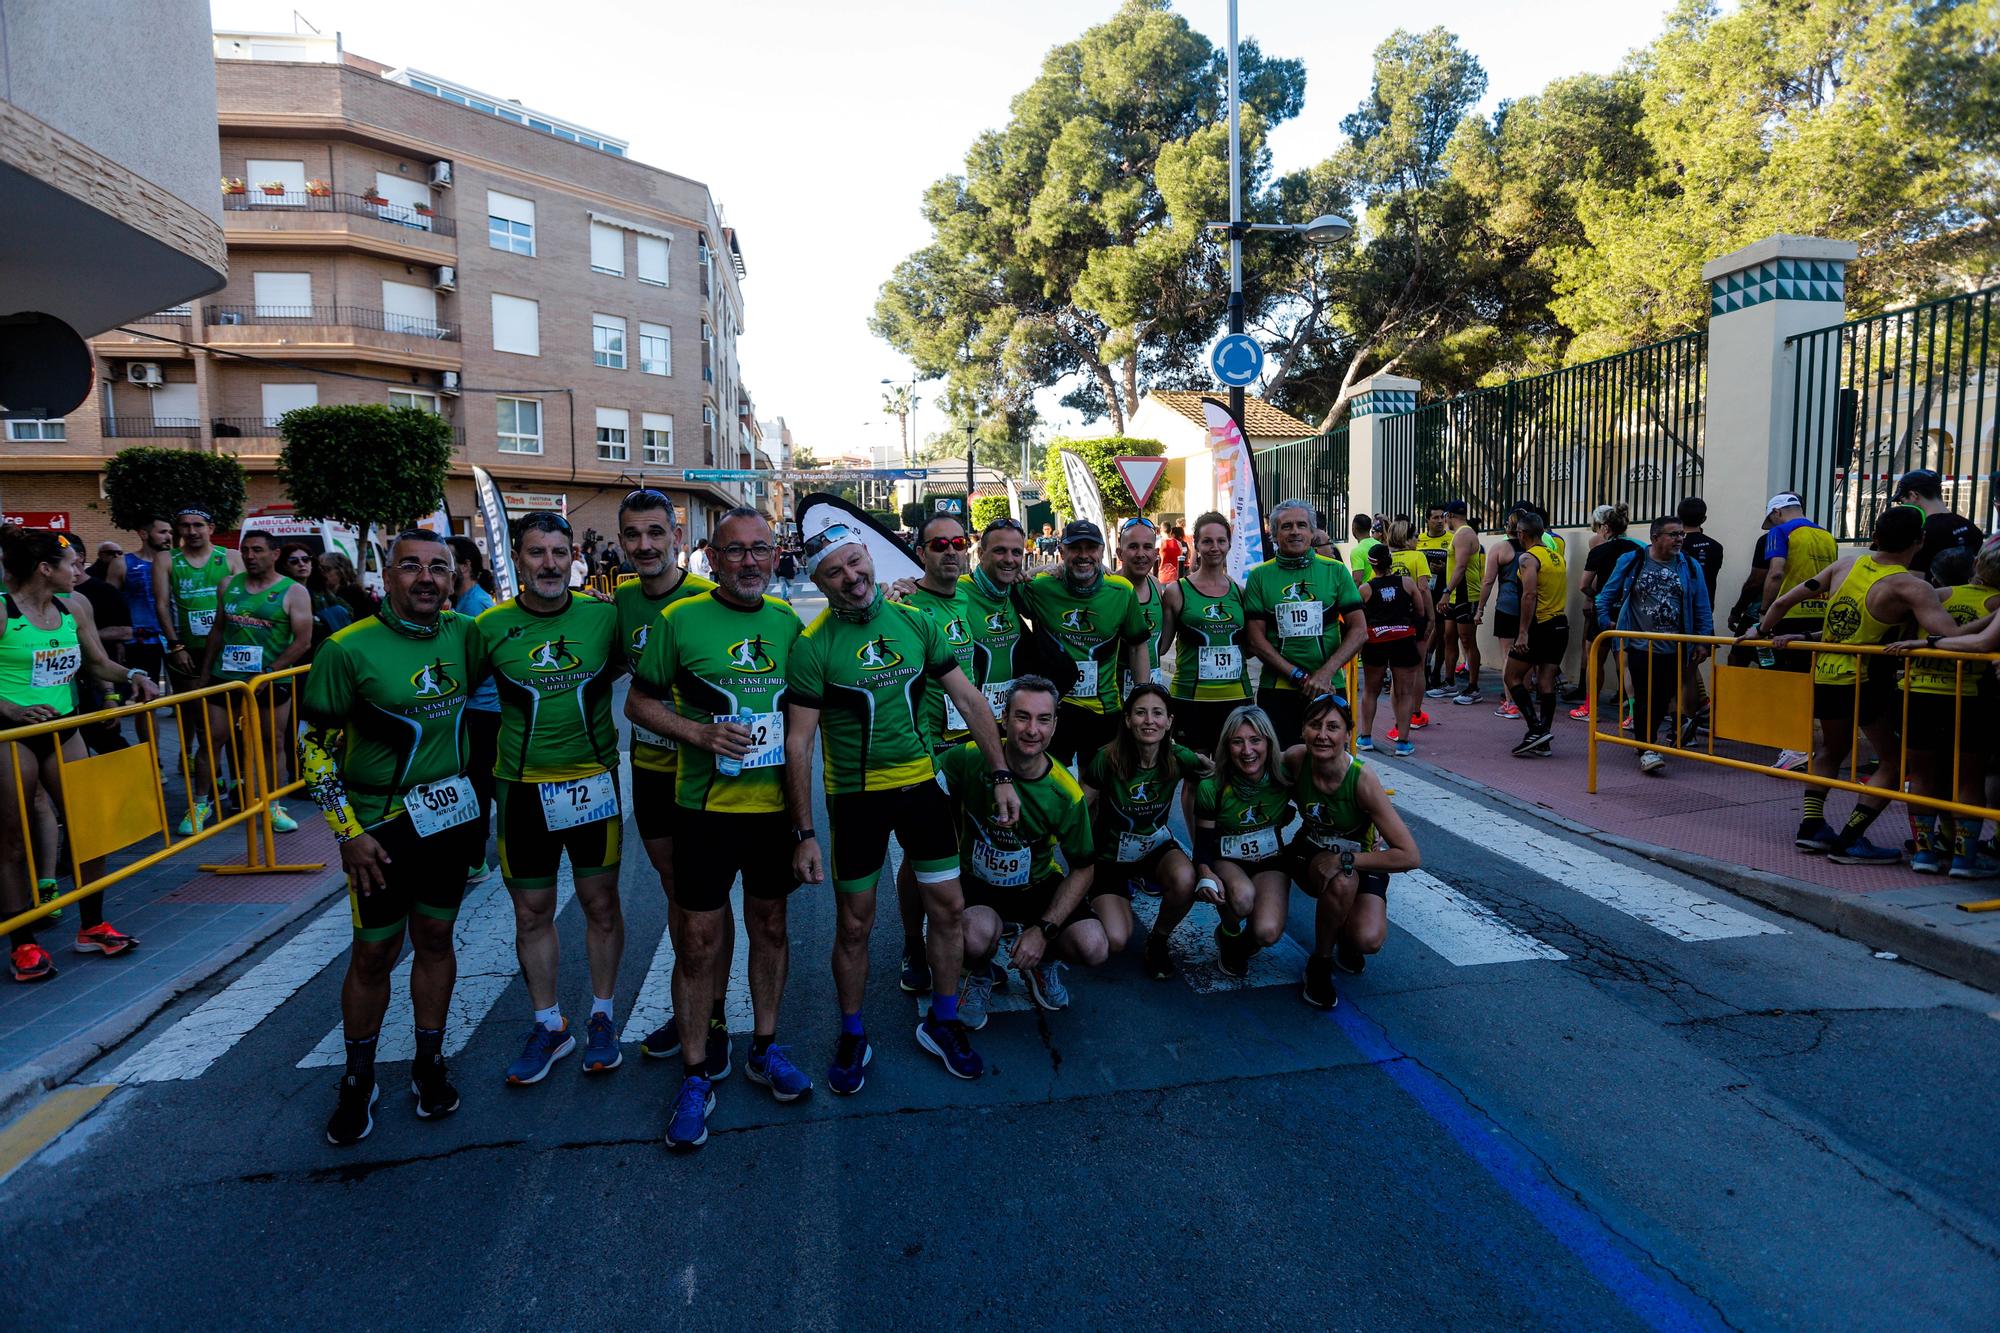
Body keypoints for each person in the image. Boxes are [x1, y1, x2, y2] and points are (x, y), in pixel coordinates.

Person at [785, 525, 1018, 1091]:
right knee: (855, 924)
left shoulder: (915, 620)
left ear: (870, 558)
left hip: (920, 786)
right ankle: (853, 1031)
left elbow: (968, 697)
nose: (852, 577)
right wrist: (805, 833)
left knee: (948, 906)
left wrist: (1001, 774)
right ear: (819, 581)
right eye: (834, 572)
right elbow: (798, 744)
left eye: (855, 563)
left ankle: (941, 1019)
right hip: (855, 797)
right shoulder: (813, 645)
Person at [628, 507, 809, 1150]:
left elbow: (802, 721)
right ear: (713, 554)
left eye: (761, 549)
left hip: (769, 815)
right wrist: (700, 733)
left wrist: (804, 823)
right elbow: (639, 702)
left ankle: (764, 1045)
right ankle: (697, 1072)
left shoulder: (789, 622)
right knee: (699, 944)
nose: (751, 562)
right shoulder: (679, 620)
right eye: (736, 552)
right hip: (702, 810)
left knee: (772, 928)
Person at [300, 530, 480, 1146]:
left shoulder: (465, 635)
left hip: (449, 819)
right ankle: (358, 1076)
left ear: (455, 577)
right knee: (374, 952)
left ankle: (429, 1061)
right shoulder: (346, 649)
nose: (427, 578)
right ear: (388, 576)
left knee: (435, 938)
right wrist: (346, 834)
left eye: (439, 567)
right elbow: (313, 753)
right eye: (412, 567)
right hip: (377, 830)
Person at [467, 510, 629, 1084]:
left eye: (559, 553)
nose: (550, 564)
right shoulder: (488, 628)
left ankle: (603, 1019)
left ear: (573, 557)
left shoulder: (604, 618)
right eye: (537, 553)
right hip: (520, 790)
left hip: (592, 784)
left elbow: (640, 664)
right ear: (516, 558)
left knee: (600, 906)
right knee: (531, 912)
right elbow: (447, 698)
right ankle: (550, 1025)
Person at [1, 525, 159, 983]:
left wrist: (134, 673)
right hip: (11, 735)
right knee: (12, 841)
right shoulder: (3, 611)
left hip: (66, 728)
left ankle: (91, 926)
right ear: (44, 569)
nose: (81, 571)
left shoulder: (75, 607)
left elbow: (96, 662)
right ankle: (23, 943)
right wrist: (12, 707)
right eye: (72, 564)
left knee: (91, 828)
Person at [1758, 505, 1958, 863]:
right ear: (1920, 541)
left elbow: (1786, 600)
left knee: (1831, 751)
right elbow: (1950, 636)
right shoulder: (1911, 586)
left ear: (1876, 535)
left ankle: (1811, 827)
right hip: (1867, 678)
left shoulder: (1846, 564)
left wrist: (1761, 631)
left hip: (1827, 671)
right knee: (1894, 763)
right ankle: (1849, 839)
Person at [609, 490, 723, 1068]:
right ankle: (692, 1010)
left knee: (706, 902)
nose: (646, 545)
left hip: (706, 778)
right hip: (650, 774)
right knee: (676, 894)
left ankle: (716, 1013)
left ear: (678, 537)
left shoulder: (709, 597)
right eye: (634, 535)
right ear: (622, 542)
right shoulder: (621, 603)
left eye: (656, 533)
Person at [943, 675, 1105, 1022]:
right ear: (1003, 718)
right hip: (978, 885)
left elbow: (1084, 868)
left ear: (1055, 724)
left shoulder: (1066, 793)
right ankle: (979, 973)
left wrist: (1044, 931)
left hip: (1036, 885)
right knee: (974, 936)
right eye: (1022, 716)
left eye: (1043, 719)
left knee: (1093, 946)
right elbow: (925, 782)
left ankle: (1041, 963)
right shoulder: (970, 758)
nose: (1033, 729)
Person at [1281, 692, 1421, 1006]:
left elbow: (1410, 855)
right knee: (1342, 880)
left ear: (1348, 734)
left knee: (1367, 939)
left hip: (1357, 857)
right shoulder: (1294, 758)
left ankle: (1345, 933)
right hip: (1310, 850)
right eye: (1314, 725)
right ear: (1303, 730)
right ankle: (1320, 962)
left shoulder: (1362, 780)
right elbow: (1260, 779)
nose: (1322, 735)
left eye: (1333, 727)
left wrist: (1348, 858)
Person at [890, 512, 978, 998]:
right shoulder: (904, 602)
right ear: (920, 552)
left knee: (963, 847)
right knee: (920, 855)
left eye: (957, 542)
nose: (949, 550)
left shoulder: (972, 596)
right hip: (928, 751)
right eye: (937, 544)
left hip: (972, 747)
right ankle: (911, 943)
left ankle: (960, 935)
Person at [1083, 684, 1210, 981]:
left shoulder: (1180, 757)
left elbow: (1217, 777)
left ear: (1169, 722)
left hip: (1154, 848)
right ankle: (1092, 899)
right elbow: (1078, 806)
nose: (1149, 721)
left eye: (1157, 714)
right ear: (1127, 720)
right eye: (1140, 713)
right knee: (1115, 940)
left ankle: (1159, 939)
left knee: (1186, 878)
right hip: (1109, 857)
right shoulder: (1107, 758)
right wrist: (1081, 863)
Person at [1887, 542, 1999, 877]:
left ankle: (1924, 854)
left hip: (1921, 690)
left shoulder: (1939, 594)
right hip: (1969, 697)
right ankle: (1964, 859)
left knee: (1921, 774)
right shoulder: (1997, 604)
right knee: (1969, 778)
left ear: (1978, 564)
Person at [199, 529, 313, 832]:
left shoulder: (294, 591)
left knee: (272, 741)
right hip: (226, 678)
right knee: (213, 739)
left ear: (274, 555)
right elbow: (219, 630)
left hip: (269, 680)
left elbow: (302, 641)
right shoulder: (227, 585)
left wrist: (269, 672)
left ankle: (272, 805)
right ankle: (199, 805)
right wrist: (204, 673)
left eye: (258, 550)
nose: (250, 556)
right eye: (246, 550)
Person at [1014, 520, 1152, 766]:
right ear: (1062, 552)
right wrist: (1043, 569)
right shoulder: (1042, 587)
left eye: (1091, 548)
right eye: (1076, 548)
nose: (1084, 555)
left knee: (1099, 787)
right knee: (1053, 788)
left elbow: (1138, 645)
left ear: (1102, 552)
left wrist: (1143, 700)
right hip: (1054, 707)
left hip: (1104, 708)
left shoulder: (1121, 591)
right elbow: (1010, 580)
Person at [1244, 498, 1368, 748]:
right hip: (1278, 688)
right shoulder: (1259, 576)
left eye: (1302, 525)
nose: (1295, 531)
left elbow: (1359, 631)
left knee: (1330, 766)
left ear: (1313, 532)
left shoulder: (1335, 571)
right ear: (1275, 534)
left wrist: (1325, 672)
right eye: (1286, 526)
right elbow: (1256, 641)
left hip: (1328, 685)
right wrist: (1298, 675)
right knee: (1281, 767)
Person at [1596, 515, 1714, 775]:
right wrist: (1606, 621)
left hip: (1676, 645)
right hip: (1640, 644)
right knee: (1644, 695)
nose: (1679, 539)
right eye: (1673, 534)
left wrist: (1704, 640)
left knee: (1664, 698)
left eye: (1681, 534)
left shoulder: (1691, 567)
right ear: (1655, 538)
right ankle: (1647, 748)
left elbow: (1701, 605)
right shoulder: (1634, 560)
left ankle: (1647, 741)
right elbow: (1606, 594)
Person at [1192, 704, 1295, 979]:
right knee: (1242, 898)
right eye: (1237, 742)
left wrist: (1368, 829)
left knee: (1268, 932)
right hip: (1228, 861)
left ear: (1269, 742)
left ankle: (1244, 941)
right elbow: (1202, 846)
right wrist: (1205, 874)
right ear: (1227, 746)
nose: (1247, 751)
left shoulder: (1285, 776)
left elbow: (1323, 799)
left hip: (1271, 861)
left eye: (1255, 740)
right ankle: (1229, 933)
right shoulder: (1211, 788)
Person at [153, 507, 236, 831]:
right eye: (185, 525)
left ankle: (234, 784)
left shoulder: (229, 557)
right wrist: (175, 646)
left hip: (224, 652)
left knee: (230, 726)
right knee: (202, 724)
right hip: (186, 652)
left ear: (211, 526)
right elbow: (161, 603)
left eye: (198, 524)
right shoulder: (167, 559)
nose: (192, 531)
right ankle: (210, 788)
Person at [1159, 511, 1250, 756]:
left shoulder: (1240, 593)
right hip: (1191, 699)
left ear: (1229, 545)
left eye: (1221, 541)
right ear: (1196, 545)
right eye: (1207, 541)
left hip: (1236, 696)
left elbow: (1251, 648)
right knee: (1196, 776)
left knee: (1232, 772)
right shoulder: (1177, 591)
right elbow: (1160, 646)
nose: (1214, 547)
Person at [446, 536, 500, 882]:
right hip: (477, 710)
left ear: (464, 567)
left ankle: (475, 859)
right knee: (484, 782)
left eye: (445, 562)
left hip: (484, 712)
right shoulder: (464, 603)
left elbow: (479, 666)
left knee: (479, 783)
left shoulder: (476, 608)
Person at [1571, 503, 1644, 721]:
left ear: (1605, 528)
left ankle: (1590, 709)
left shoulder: (1599, 550)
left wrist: (1596, 595)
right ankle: (1633, 713)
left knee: (1595, 658)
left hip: (1603, 609)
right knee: (1626, 664)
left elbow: (1584, 584)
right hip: (1629, 609)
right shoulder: (1640, 549)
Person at [1507, 506, 1569, 756]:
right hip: (1560, 624)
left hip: (1540, 626)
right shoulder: (1557, 557)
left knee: (1512, 676)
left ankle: (1537, 729)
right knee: (1546, 681)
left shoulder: (1527, 558)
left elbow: (1529, 594)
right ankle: (1543, 740)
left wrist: (1523, 632)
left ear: (1522, 534)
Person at [1356, 543, 1427, 756]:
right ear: (1390, 561)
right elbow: (1420, 611)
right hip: (1403, 639)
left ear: (1371, 564)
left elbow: (1357, 617)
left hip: (1375, 641)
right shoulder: (1407, 583)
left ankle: (1366, 737)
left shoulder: (1365, 589)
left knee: (1371, 690)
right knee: (1405, 693)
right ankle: (1403, 742)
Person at [1757, 494, 1839, 672]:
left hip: (1789, 614)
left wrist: (1764, 611)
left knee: (1786, 677)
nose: (1773, 525)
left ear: (1776, 512)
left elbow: (1776, 574)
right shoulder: (1828, 536)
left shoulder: (1779, 532)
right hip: (1822, 616)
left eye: (1772, 520)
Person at [1475, 510, 1525, 719]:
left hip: (1507, 605)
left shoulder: (1500, 548)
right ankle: (1524, 699)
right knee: (1525, 652)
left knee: (1507, 655)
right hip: (1529, 605)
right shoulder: (1534, 548)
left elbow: (1488, 581)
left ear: (1507, 527)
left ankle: (1511, 703)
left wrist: (1480, 608)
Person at [1435, 500, 1485, 705]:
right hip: (1456, 596)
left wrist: (1447, 591)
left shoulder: (1464, 534)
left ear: (1448, 516)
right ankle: (1450, 682)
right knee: (1449, 637)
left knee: (1467, 640)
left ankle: (1473, 688)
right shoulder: (1460, 534)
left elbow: (1461, 567)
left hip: (1465, 595)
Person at [1894, 468, 1983, 578]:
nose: (1903, 505)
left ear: (1913, 495)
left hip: (1934, 594)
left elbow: (1915, 580)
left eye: (1902, 501)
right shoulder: (1970, 527)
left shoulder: (1922, 534)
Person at [1115, 516, 1166, 690]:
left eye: (1147, 547)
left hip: (1152, 686)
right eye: (1133, 546)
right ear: (1119, 553)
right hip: (1114, 692)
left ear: (1156, 553)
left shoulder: (1156, 584)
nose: (1141, 554)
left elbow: (1162, 643)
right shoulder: (1110, 587)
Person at [123, 517, 172, 684]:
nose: (168, 537)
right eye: (162, 532)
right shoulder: (123, 563)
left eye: (170, 532)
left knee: (185, 693)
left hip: (173, 637)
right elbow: (112, 605)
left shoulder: (178, 562)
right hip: (140, 640)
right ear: (144, 534)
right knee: (145, 694)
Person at [1415, 506, 1453, 688]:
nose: (1439, 521)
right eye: (1435, 518)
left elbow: (1459, 565)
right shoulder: (1419, 540)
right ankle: (1424, 668)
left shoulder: (1452, 539)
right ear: (1427, 520)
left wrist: (1445, 569)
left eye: (1442, 517)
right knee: (1424, 632)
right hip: (1423, 593)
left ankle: (1437, 671)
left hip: (1442, 593)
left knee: (1442, 634)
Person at [1346, 513, 1380, 585]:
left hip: (1367, 593)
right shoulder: (1379, 545)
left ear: (1353, 528)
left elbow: (1357, 580)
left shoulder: (1357, 551)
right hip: (1381, 591)